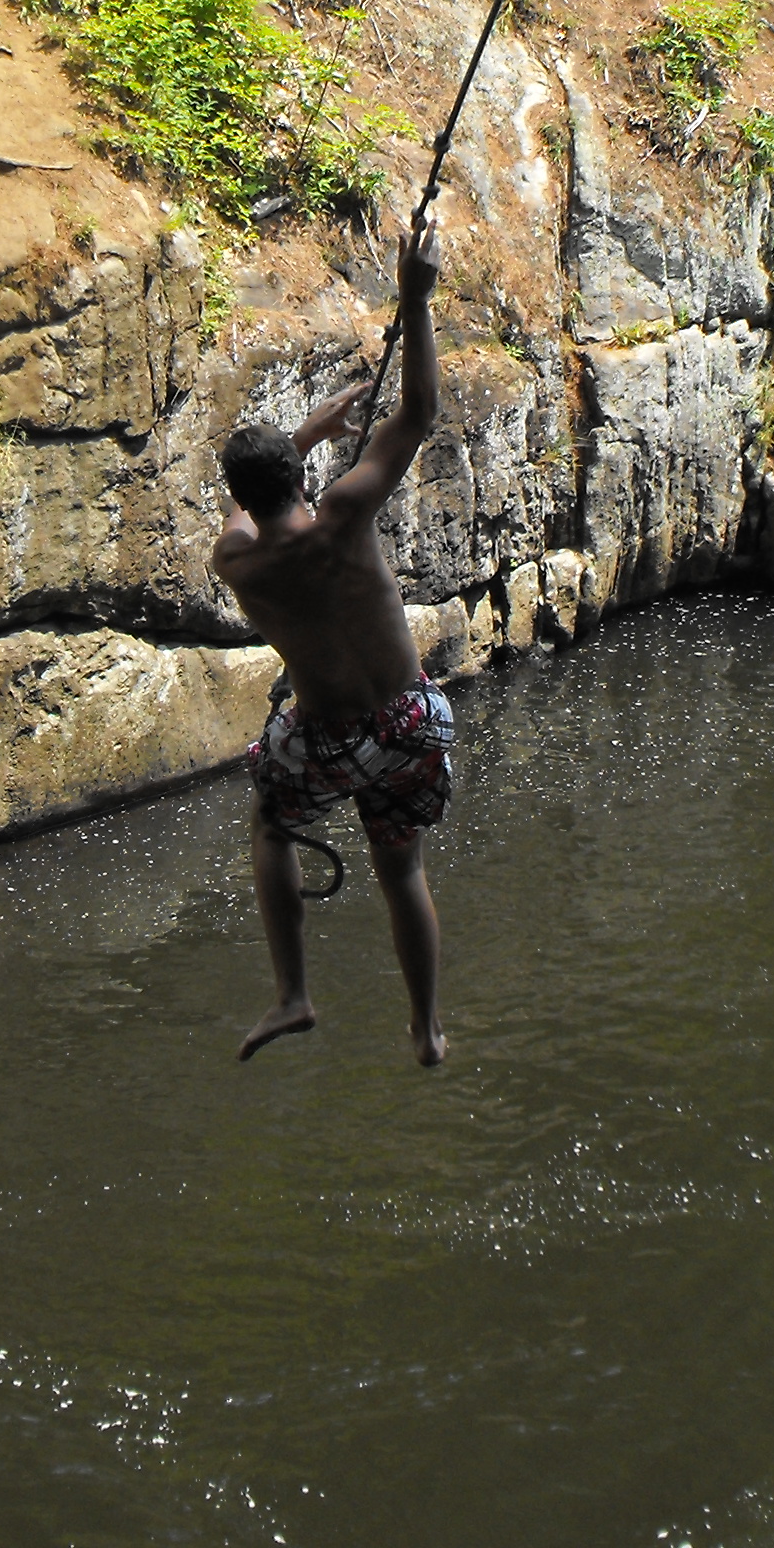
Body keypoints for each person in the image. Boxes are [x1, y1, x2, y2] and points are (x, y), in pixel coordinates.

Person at [211, 212, 452, 1066]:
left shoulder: (235, 564)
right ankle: (424, 1027)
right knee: (403, 873)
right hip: (407, 725)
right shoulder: (347, 513)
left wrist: (302, 438)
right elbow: (419, 412)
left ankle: (294, 995)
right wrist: (415, 298)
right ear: (303, 476)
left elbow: (245, 507)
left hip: (328, 739)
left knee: (272, 823)